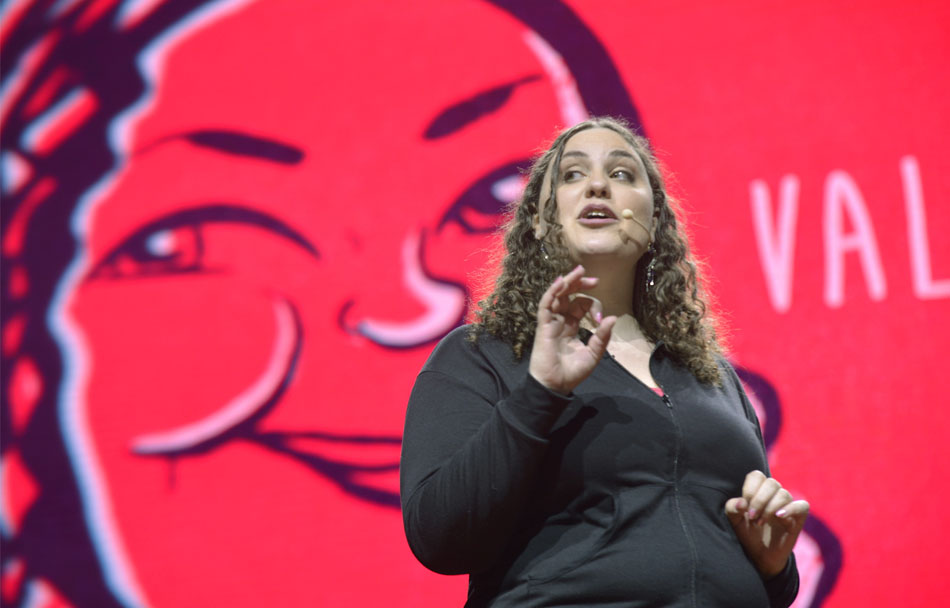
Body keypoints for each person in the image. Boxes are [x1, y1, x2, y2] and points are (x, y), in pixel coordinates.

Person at [400, 117, 809, 607]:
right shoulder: (482, 355)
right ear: (538, 218)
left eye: (621, 175)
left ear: (654, 218)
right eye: (572, 175)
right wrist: (539, 393)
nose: (598, 184)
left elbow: (739, 566)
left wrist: (774, 565)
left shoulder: (712, 377)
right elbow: (441, 538)